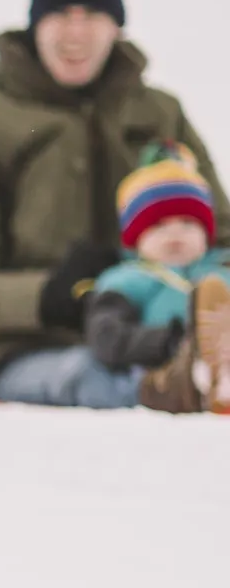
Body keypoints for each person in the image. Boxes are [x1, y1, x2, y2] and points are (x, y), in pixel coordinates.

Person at [0, 0, 230, 408]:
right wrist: (50, 295)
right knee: (84, 376)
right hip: (27, 347)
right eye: (60, 13)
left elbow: (220, 229)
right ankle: (177, 386)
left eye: (92, 13)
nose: (76, 32)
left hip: (159, 327)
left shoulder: (158, 112)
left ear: (116, 22)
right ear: (35, 20)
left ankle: (202, 371)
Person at [84, 145, 230, 412]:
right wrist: (170, 341)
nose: (175, 234)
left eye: (187, 223)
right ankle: (208, 383)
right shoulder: (126, 279)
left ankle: (221, 375)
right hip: (163, 367)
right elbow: (106, 336)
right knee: (161, 378)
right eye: (158, 225)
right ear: (135, 236)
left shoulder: (222, 273)